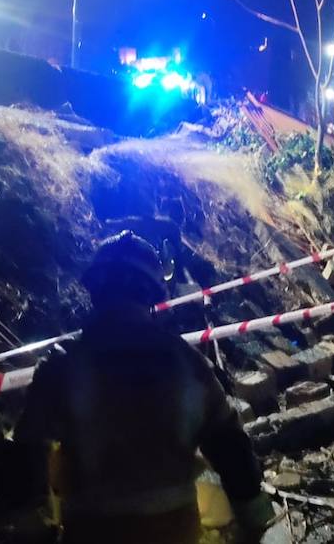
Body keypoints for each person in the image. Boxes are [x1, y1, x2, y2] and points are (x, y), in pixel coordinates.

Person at [15, 231, 275, 543]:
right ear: (152, 294)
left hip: (91, 531)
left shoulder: (62, 365)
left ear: (95, 290)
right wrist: (252, 518)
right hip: (173, 529)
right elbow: (228, 444)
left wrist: (32, 527)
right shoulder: (184, 362)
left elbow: (27, 451)